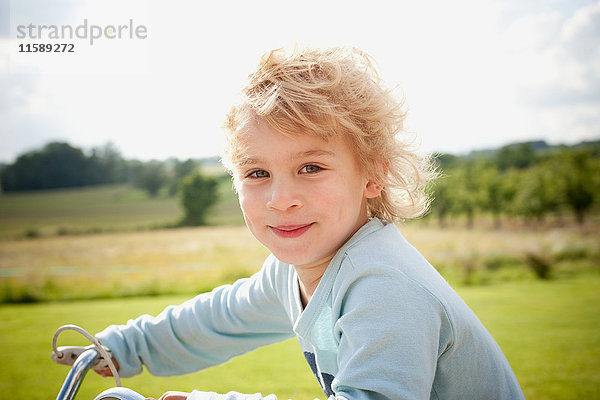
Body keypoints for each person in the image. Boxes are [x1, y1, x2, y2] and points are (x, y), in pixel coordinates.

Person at [95, 46, 525, 400]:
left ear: (373, 174)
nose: (281, 200)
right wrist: (119, 348)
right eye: (257, 173)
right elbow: (218, 320)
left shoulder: (384, 285)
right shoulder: (293, 273)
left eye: (311, 167)